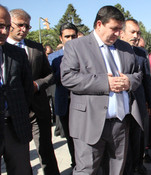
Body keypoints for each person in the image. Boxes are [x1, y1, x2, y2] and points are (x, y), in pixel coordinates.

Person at [60, 6, 142, 175]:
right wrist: (105, 83)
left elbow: (138, 74)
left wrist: (129, 81)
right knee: (86, 171)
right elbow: (68, 77)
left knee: (116, 170)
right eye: (114, 29)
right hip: (88, 123)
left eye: (120, 29)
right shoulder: (76, 46)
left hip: (120, 124)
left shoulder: (125, 48)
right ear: (99, 24)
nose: (118, 33)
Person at [7, 8, 60, 175]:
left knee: (45, 149)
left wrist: (37, 85)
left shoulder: (36, 48)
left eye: (27, 26)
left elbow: (50, 75)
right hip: (12, 113)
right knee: (19, 156)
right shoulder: (3, 49)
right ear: (10, 24)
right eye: (20, 25)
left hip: (38, 108)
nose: (24, 29)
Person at [0, 5, 33, 175]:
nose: (5, 31)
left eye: (7, 26)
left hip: (15, 127)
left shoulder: (17, 54)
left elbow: (27, 89)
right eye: (0, 26)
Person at [120, 18, 151, 174]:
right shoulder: (113, 50)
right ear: (121, 33)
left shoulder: (141, 53)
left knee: (138, 136)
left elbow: (147, 79)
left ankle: (138, 165)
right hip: (120, 103)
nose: (136, 35)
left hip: (139, 102)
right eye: (132, 32)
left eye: (138, 33)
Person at [49, 22, 78, 169]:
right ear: (61, 38)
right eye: (67, 36)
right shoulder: (53, 58)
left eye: (74, 36)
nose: (71, 39)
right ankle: (75, 164)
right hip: (64, 104)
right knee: (70, 138)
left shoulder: (86, 54)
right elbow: (49, 78)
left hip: (83, 104)